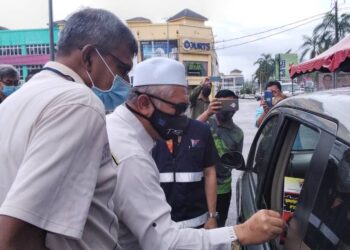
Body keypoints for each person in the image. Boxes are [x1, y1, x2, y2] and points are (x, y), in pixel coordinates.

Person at [107, 57, 284, 250]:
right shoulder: (131, 156)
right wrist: (241, 232)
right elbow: (164, 242)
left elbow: (209, 172)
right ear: (143, 103)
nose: (183, 119)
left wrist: (211, 216)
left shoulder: (118, 128)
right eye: (179, 108)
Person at [0, 8, 137, 250]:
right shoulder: (80, 103)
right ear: (89, 56)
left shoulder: (18, 99)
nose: (125, 82)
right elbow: (16, 235)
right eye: (122, 69)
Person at [152, 117, 219, 229]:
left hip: (197, 223)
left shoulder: (201, 130)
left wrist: (212, 216)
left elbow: (209, 172)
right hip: (159, 224)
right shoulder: (149, 131)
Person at [197, 89, 244, 227]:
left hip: (223, 189)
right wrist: (208, 112)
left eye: (231, 104)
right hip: (200, 185)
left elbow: (235, 161)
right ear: (216, 104)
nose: (228, 109)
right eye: (223, 104)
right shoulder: (205, 123)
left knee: (218, 225)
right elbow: (189, 131)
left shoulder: (238, 133)